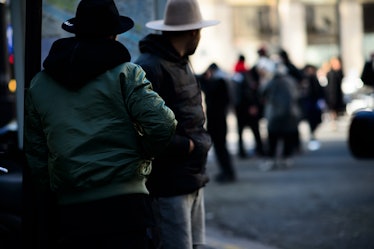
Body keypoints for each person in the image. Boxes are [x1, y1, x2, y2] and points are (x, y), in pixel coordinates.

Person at [23, 0, 177, 248]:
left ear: (75, 31)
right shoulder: (126, 74)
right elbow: (162, 123)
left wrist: (57, 183)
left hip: (72, 212)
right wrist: (143, 154)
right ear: (114, 35)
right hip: (128, 209)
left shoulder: (40, 84)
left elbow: (36, 152)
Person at [135, 0, 218, 248]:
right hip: (169, 184)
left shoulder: (180, 62)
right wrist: (188, 147)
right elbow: (142, 129)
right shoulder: (151, 66)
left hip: (192, 178)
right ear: (194, 32)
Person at [198, 63, 236, 183]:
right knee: (221, 149)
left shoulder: (219, 83)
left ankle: (228, 173)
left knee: (221, 149)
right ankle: (227, 172)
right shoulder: (221, 81)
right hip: (218, 121)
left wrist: (203, 78)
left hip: (218, 122)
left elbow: (207, 88)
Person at [260, 61, 301, 171]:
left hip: (274, 114)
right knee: (286, 136)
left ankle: (271, 159)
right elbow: (297, 95)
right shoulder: (291, 81)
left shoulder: (271, 82)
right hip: (289, 114)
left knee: (273, 138)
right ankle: (286, 158)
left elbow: (262, 92)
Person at [232, 54, 265, 158]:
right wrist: (253, 105)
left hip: (238, 107)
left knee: (240, 130)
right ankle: (260, 149)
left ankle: (242, 151)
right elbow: (248, 92)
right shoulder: (246, 74)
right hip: (247, 107)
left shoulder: (235, 75)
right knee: (255, 129)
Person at [299, 64, 326, 151]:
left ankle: (313, 131)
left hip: (314, 102)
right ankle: (312, 132)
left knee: (316, 118)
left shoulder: (314, 79)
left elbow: (319, 90)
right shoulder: (305, 79)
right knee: (311, 118)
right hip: (309, 103)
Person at [325, 56, 345, 130]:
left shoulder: (338, 72)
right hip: (332, 95)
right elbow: (331, 87)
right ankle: (333, 124)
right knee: (333, 110)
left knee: (336, 110)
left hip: (337, 94)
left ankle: (334, 123)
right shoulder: (331, 73)